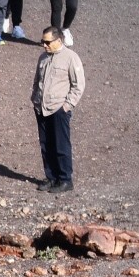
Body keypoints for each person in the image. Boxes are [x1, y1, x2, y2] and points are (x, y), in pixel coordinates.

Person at [31, 27, 85, 193]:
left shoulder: (71, 58)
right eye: (43, 42)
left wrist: (66, 106)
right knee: (46, 144)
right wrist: (35, 100)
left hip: (58, 109)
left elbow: (79, 85)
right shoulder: (43, 58)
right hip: (42, 108)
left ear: (59, 41)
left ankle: (65, 179)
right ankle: (51, 177)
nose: (44, 45)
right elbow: (37, 80)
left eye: (47, 42)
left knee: (61, 145)